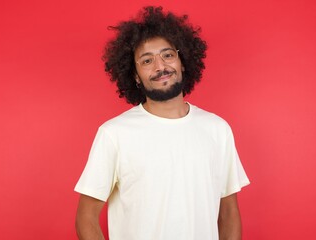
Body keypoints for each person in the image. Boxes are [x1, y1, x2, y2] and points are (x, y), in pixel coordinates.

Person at [75, 6, 250, 240]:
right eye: (147, 60)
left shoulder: (217, 129)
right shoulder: (114, 134)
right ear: (135, 75)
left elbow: (228, 212)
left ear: (183, 61)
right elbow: (86, 218)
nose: (160, 67)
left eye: (167, 55)